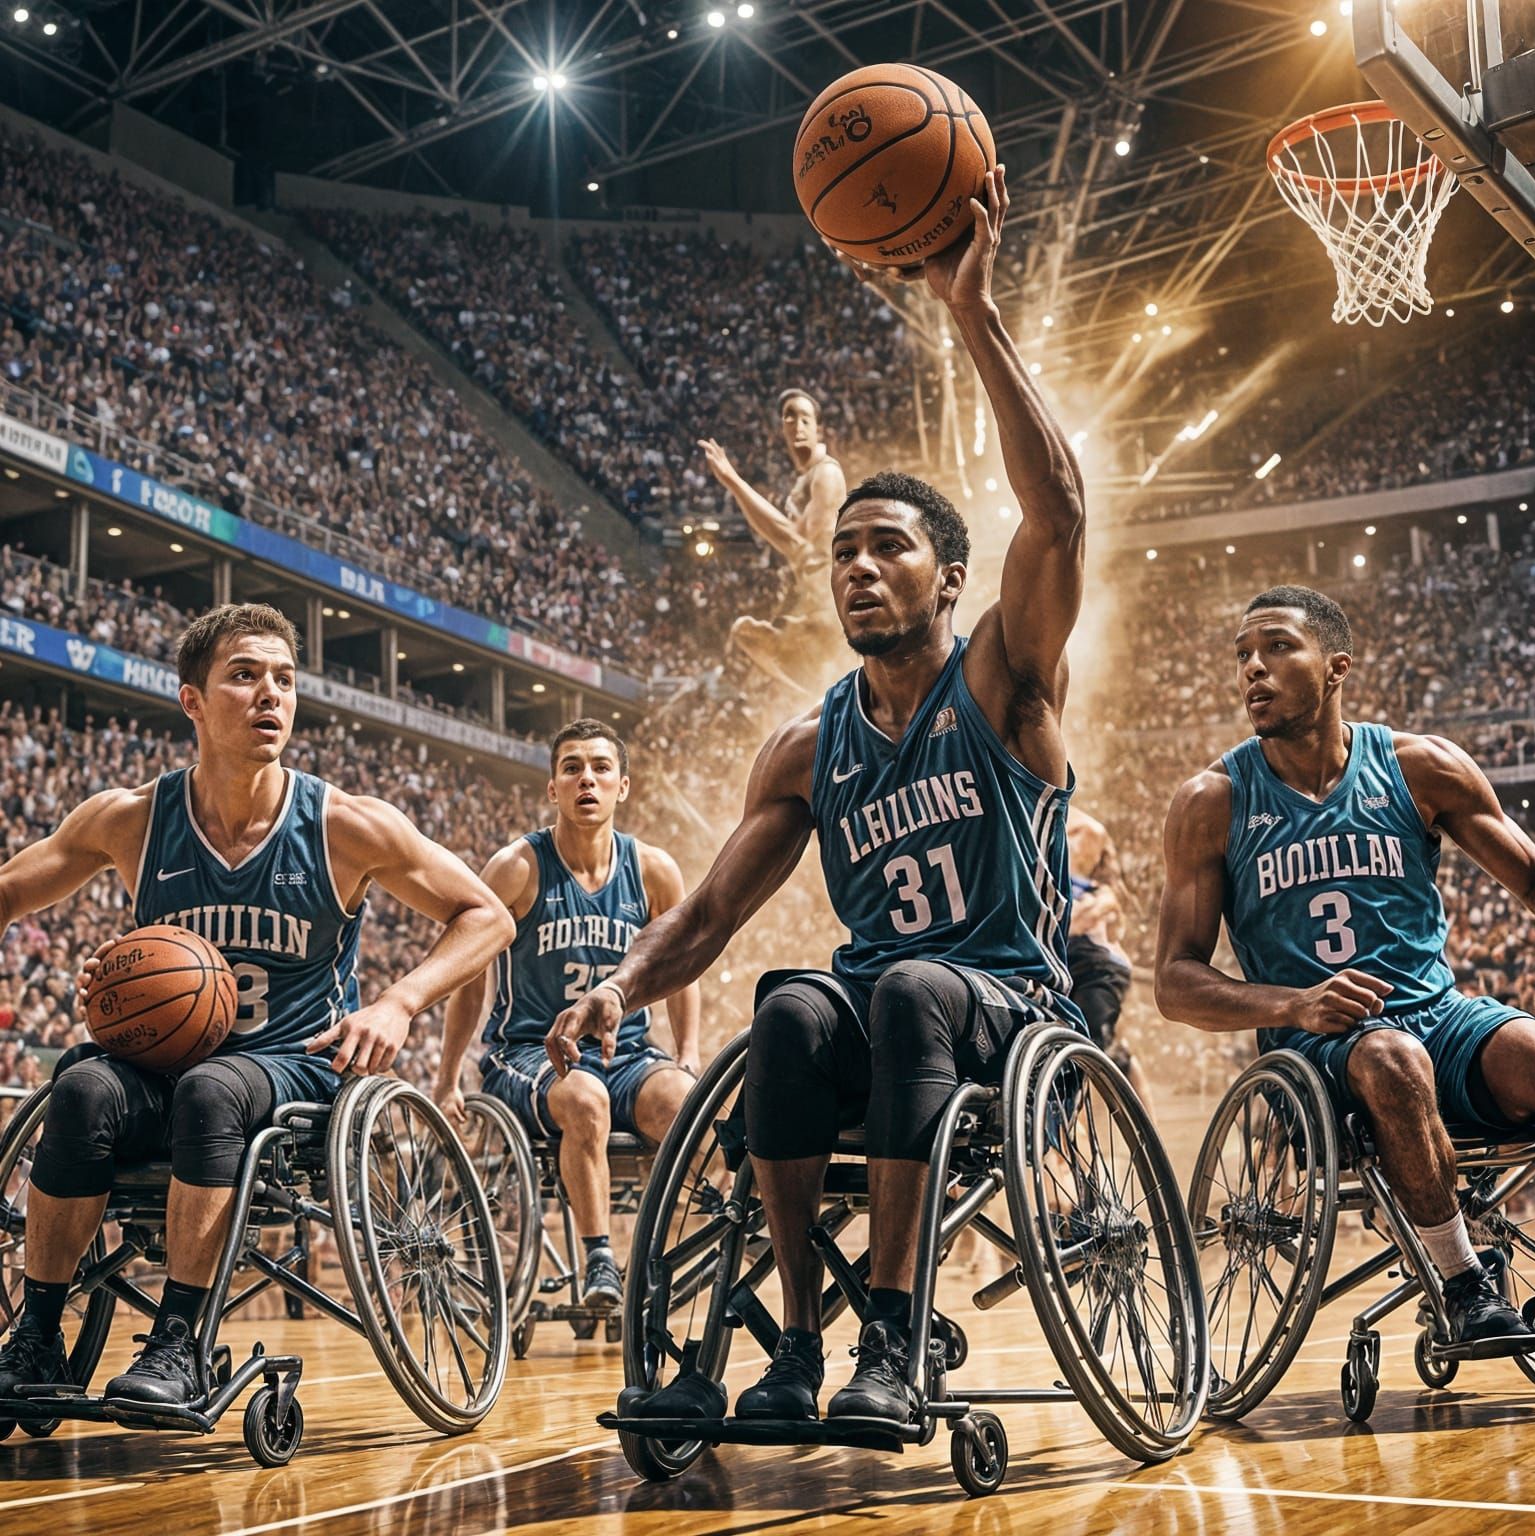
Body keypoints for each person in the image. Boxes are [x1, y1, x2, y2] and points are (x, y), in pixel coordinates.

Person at [552, 165, 1088, 1424]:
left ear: (950, 578)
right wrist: (623, 985)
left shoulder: (1007, 677)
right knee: (790, 1001)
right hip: (889, 1025)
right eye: (843, 551)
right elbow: (713, 915)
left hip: (1011, 1007)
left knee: (904, 984)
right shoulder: (806, 745)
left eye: (887, 547)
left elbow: (1058, 512)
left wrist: (973, 311)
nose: (857, 567)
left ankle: (892, 1338)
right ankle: (799, 1343)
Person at [0, 603, 515, 1407]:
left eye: (284, 679)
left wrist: (398, 1002)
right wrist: (113, 991)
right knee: (81, 1086)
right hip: (163, 1066)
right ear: (192, 702)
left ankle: (179, 1343)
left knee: (216, 1088)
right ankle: (35, 1335)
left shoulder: (341, 823)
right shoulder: (131, 819)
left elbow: (488, 914)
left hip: (295, 1069)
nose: (269, 695)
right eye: (244, 676)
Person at [1155, 583, 1535, 1354]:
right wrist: (1294, 1005)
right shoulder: (1213, 801)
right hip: (1318, 1049)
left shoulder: (1422, 766)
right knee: (1393, 1056)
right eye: (1243, 656)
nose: (1252, 670)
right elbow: (1173, 981)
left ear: (1336, 667)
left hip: (1440, 1016)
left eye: (1276, 648)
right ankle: (1465, 1283)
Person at [434, 719, 700, 1310]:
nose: (588, 778)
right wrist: (448, 1077)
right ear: (552, 788)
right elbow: (468, 973)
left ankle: (668, 1255)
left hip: (626, 1054)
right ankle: (599, 1260)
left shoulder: (653, 869)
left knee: (690, 1105)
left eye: (601, 767)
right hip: (528, 1053)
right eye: (572, 767)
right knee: (585, 1099)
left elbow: (682, 967)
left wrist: (687, 1054)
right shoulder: (517, 868)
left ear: (623, 786)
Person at [699, 388, 847, 695]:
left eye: (804, 417)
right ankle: (818, 699)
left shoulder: (827, 474)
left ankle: (825, 700)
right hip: (810, 600)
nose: (796, 424)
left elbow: (797, 542)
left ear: (819, 428)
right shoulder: (803, 481)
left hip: (830, 603)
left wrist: (734, 482)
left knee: (753, 636)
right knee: (747, 635)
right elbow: (785, 537)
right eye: (789, 416)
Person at [1065, 806, 1148, 1102]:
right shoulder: (1067, 886)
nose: (1073, 846)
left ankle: (1146, 1138)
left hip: (1099, 968)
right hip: (1070, 966)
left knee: (1092, 1053)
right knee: (1113, 1054)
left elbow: (1079, 922)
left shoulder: (1099, 893)